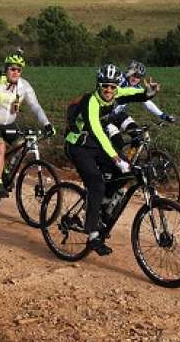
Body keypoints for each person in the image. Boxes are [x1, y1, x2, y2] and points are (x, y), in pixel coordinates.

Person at [64, 63, 159, 255]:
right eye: (104, 86)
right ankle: (92, 236)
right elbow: (98, 132)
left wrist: (149, 93)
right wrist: (116, 157)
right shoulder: (90, 101)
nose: (108, 90)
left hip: (96, 145)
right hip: (78, 146)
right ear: (98, 85)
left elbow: (134, 94)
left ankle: (102, 205)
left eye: (112, 87)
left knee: (126, 172)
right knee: (97, 184)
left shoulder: (116, 92)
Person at [0, 51, 54, 198]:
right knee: (0, 147)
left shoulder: (24, 86)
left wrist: (46, 124)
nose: (15, 73)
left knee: (21, 145)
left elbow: (35, 106)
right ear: (6, 69)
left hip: (9, 123)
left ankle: (5, 171)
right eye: (12, 69)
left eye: (19, 70)